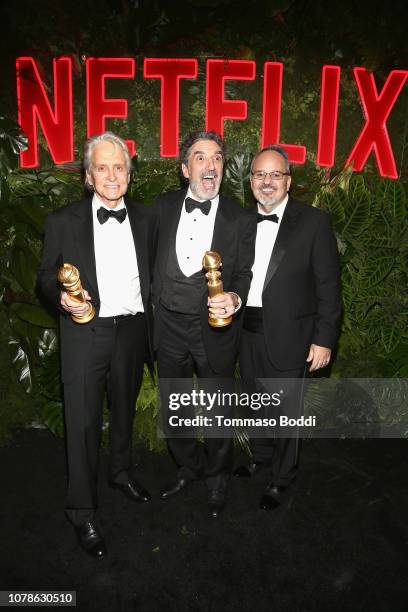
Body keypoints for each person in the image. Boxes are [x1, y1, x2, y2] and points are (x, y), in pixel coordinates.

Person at [37, 132, 156, 557]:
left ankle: (120, 472)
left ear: (128, 173)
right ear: (88, 177)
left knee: (123, 409)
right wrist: (61, 296)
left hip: (131, 331)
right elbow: (45, 277)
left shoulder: (146, 220)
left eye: (119, 167)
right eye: (102, 167)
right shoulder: (62, 221)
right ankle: (81, 510)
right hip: (84, 333)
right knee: (83, 424)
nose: (111, 175)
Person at [153, 130, 255, 517]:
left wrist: (236, 297)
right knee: (173, 404)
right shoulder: (160, 208)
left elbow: (244, 273)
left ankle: (217, 478)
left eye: (216, 157)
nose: (209, 165)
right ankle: (187, 467)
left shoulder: (241, 219)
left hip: (214, 329)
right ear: (185, 168)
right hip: (167, 326)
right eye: (200, 157)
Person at [234, 145, 342, 510]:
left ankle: (282, 478)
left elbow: (329, 287)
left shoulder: (313, 222)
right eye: (260, 175)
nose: (267, 182)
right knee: (253, 402)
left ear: (288, 181)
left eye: (275, 175)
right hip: (244, 331)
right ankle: (261, 455)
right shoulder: (240, 223)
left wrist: (324, 340)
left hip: (292, 334)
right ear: (250, 182)